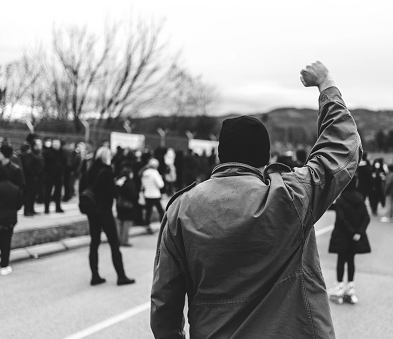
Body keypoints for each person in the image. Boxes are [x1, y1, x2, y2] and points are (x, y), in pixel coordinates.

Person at [151, 61, 361, 339]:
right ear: (265, 159)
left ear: (220, 156)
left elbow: (165, 302)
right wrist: (326, 84)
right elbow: (341, 149)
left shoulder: (181, 209)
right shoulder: (290, 196)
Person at [83, 146, 135, 286]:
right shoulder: (107, 172)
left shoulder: (89, 170)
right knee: (114, 243)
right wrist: (117, 185)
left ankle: (95, 275)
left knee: (94, 243)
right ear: (106, 157)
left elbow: (83, 188)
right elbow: (112, 193)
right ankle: (121, 276)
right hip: (105, 211)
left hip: (92, 211)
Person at [328, 176, 371, 304]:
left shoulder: (341, 199)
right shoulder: (360, 198)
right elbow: (366, 217)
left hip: (343, 236)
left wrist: (351, 232)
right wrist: (358, 232)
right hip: (356, 237)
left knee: (341, 260)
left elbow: (341, 219)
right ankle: (350, 287)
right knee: (351, 260)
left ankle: (339, 286)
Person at [0, 165, 23, 276]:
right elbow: (19, 205)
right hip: (9, 221)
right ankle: (4, 266)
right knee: (5, 244)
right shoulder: (14, 188)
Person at [20, 136, 44, 216]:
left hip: (36, 178)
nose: (40, 145)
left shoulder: (38, 153)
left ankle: (32, 209)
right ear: (34, 145)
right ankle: (27, 211)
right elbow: (28, 167)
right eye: (39, 144)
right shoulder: (29, 154)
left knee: (33, 194)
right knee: (28, 194)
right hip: (30, 178)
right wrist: (34, 174)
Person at [115, 167, 138, 247]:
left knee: (120, 222)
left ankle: (118, 239)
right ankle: (124, 240)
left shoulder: (119, 181)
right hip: (128, 205)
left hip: (119, 204)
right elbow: (132, 194)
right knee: (126, 223)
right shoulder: (129, 182)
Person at [141, 158, 165, 229]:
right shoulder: (155, 173)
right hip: (155, 194)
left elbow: (143, 184)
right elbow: (161, 185)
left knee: (148, 211)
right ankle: (163, 224)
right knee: (161, 211)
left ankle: (147, 224)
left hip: (147, 194)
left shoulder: (144, 173)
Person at [43, 138, 65, 213]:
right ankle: (46, 208)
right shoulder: (47, 152)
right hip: (50, 174)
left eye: (57, 144)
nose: (55, 145)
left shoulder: (62, 152)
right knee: (48, 192)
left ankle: (58, 207)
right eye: (54, 144)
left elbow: (64, 162)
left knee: (58, 192)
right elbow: (45, 164)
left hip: (59, 175)